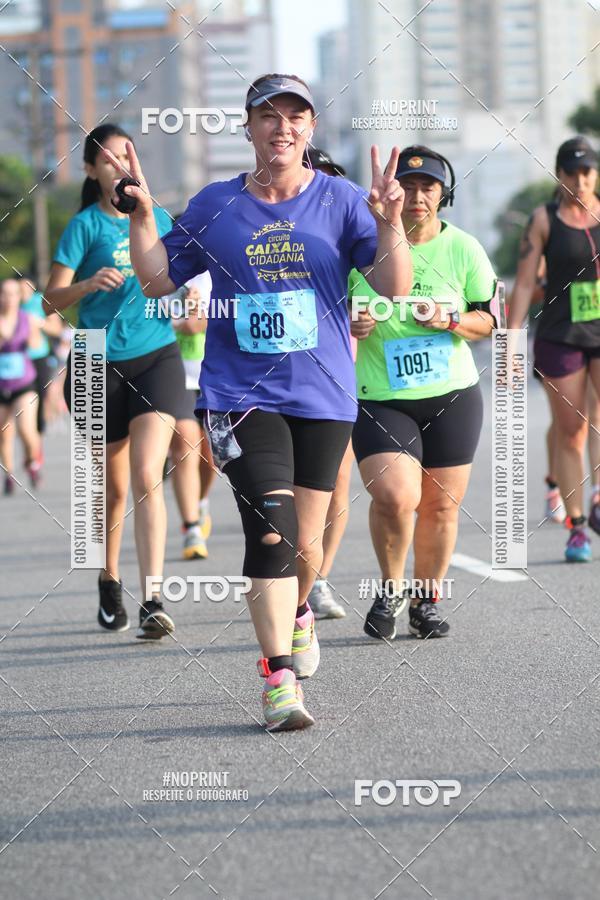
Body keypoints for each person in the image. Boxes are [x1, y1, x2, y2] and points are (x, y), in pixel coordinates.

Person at [110, 73, 412, 730]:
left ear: (310, 128)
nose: (281, 127)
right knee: (271, 530)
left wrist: (390, 224)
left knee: (305, 545)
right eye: (267, 116)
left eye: (294, 116)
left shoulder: (340, 201)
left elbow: (392, 285)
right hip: (239, 396)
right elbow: (159, 278)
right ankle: (277, 679)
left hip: (325, 395)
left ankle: (300, 612)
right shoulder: (216, 204)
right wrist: (141, 218)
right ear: (247, 129)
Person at [44, 122, 188, 637]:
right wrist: (85, 284)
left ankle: (153, 599)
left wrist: (191, 297)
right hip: (95, 360)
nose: (118, 165)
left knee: (150, 473)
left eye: (127, 155)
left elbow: (186, 273)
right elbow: (49, 299)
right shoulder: (83, 226)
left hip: (157, 354)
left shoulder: (157, 215)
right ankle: (109, 580)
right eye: (107, 159)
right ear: (92, 170)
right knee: (114, 489)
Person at [349, 145, 497, 640]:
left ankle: (426, 601)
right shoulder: (360, 247)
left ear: (443, 194)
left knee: (439, 506)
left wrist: (451, 320)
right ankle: (391, 588)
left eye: (427, 187)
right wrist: (353, 322)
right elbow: (327, 311)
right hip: (380, 395)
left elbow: (488, 319)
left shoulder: (465, 249)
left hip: (452, 395)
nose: (415, 196)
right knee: (396, 496)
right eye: (405, 187)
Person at [509, 136, 600, 561]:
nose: (580, 181)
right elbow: (526, 282)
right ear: (559, 176)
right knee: (572, 430)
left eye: (587, 172)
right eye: (571, 174)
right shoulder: (543, 219)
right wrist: (510, 339)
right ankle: (577, 526)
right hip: (560, 334)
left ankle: (597, 497)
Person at [301, 146, 352, 619]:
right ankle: (289, 573)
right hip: (284, 380)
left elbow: (388, 290)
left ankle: (317, 579)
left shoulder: (353, 234)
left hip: (344, 380)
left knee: (337, 483)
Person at [169, 273, 216, 559]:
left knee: (210, 458)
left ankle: (200, 502)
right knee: (185, 446)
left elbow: (196, 325)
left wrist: (197, 313)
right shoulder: (161, 269)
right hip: (174, 375)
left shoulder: (213, 274)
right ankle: (192, 528)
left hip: (210, 375)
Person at [0, 278, 41, 493]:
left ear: (19, 297)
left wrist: (33, 333)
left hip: (24, 382)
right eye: (4, 293)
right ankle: (9, 474)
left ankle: (31, 460)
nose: (8, 298)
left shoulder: (28, 318)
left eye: (12, 293)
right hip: (1, 385)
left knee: (26, 428)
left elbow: (37, 345)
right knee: (4, 432)